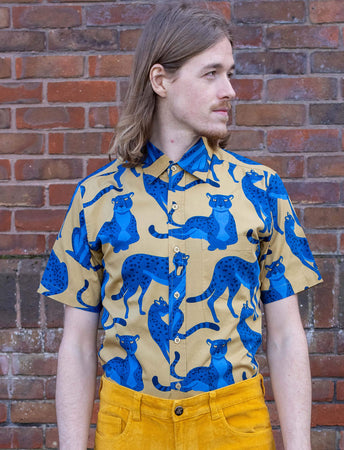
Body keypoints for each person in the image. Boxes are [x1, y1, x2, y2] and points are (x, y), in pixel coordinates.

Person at [38, 2, 322, 449]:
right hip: (129, 425)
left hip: (233, 423)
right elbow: (75, 343)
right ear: (161, 81)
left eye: (230, 73)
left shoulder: (259, 188)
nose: (229, 89)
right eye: (211, 73)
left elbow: (286, 335)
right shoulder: (97, 196)